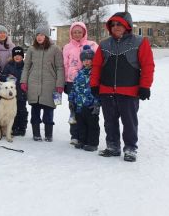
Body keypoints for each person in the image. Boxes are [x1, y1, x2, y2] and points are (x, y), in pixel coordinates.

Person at [91, 12, 154, 162]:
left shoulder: (140, 42)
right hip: (106, 90)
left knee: (129, 122)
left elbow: (148, 65)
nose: (116, 27)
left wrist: (145, 86)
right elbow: (96, 66)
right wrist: (94, 84)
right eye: (113, 24)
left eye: (119, 24)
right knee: (109, 121)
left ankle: (130, 148)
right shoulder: (104, 44)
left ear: (127, 25)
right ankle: (113, 146)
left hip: (129, 91)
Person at [21, 26, 65, 142]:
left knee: (48, 110)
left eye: (42, 35)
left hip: (50, 85)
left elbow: (60, 67)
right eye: (38, 35)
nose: (39, 37)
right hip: (33, 84)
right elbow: (26, 67)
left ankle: (48, 134)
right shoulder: (31, 49)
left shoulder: (55, 49)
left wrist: (60, 84)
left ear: (46, 36)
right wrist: (23, 81)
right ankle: (36, 133)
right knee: (35, 110)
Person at [62, 21, 98, 145]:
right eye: (75, 32)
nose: (77, 34)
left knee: (87, 109)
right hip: (72, 82)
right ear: (71, 33)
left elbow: (99, 62)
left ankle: (87, 135)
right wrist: (65, 82)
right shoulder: (67, 47)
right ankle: (75, 135)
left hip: (89, 81)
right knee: (74, 109)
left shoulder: (92, 45)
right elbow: (65, 65)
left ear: (84, 33)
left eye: (79, 32)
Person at [68, 46, 100, 152]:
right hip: (79, 105)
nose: (87, 62)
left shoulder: (96, 74)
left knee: (92, 125)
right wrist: (71, 100)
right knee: (81, 124)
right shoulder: (80, 73)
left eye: (89, 60)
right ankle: (83, 141)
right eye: (84, 60)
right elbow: (74, 87)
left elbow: (99, 91)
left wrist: (97, 103)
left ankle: (92, 143)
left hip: (90, 105)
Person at [1, 46, 28, 137]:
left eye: (19, 55)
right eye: (15, 55)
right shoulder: (8, 65)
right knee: (12, 111)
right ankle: (14, 127)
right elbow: (3, 76)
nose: (17, 57)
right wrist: (7, 77)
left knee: (22, 110)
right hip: (10, 94)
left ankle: (22, 127)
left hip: (22, 92)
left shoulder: (25, 66)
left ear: (22, 56)